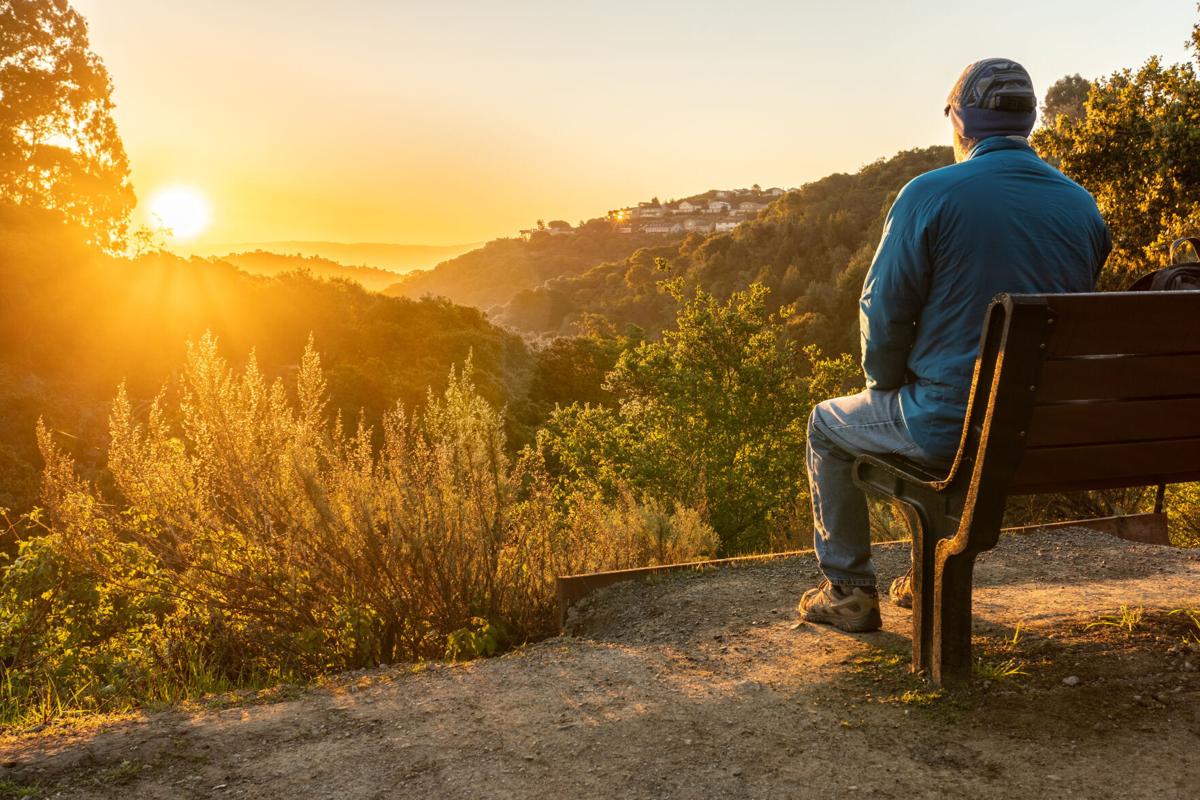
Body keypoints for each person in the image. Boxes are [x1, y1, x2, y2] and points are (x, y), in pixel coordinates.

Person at [797, 58, 1111, 632]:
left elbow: (883, 310)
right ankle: (923, 578)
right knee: (941, 413)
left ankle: (848, 591)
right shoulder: (1082, 206)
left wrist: (885, 385)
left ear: (960, 120)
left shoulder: (929, 195)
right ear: (1030, 122)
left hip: (951, 424)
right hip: (1045, 429)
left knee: (826, 426)